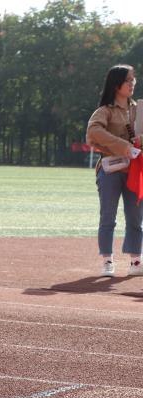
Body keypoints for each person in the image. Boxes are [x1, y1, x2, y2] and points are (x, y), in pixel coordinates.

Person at [86, 64, 143, 277]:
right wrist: (124, 147)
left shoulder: (139, 109)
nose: (132, 83)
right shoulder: (104, 111)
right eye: (128, 79)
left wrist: (140, 141)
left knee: (136, 218)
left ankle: (135, 261)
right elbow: (93, 132)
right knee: (108, 217)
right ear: (116, 84)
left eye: (133, 79)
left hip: (135, 171)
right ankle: (107, 261)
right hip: (110, 169)